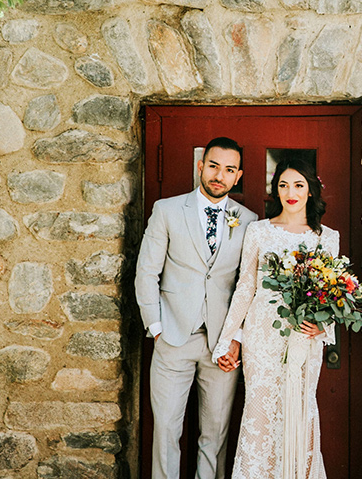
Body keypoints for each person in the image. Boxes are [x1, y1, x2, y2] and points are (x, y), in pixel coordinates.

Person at [135, 137, 258, 479]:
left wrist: (237, 339)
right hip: (172, 338)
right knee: (166, 433)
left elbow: (250, 287)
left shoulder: (249, 220)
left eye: (229, 169)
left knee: (214, 436)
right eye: (214, 165)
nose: (220, 175)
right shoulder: (167, 210)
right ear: (201, 166)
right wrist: (156, 329)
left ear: (238, 176)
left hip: (222, 344)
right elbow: (146, 272)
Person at [213, 157, 337, 479]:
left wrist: (323, 326)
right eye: (283, 185)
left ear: (311, 191)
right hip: (262, 335)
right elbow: (245, 287)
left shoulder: (327, 238)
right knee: (260, 411)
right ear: (275, 190)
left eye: (298, 185)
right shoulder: (259, 231)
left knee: (301, 410)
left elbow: (334, 293)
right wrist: (229, 339)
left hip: (303, 339)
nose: (290, 192)